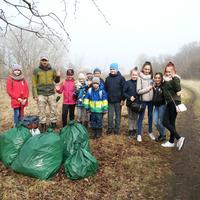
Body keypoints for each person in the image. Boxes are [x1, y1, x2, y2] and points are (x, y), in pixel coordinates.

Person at [32, 55, 60, 132]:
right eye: (43, 60)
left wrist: (58, 76)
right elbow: (34, 83)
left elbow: (56, 81)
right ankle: (43, 125)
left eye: (46, 60)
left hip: (51, 93)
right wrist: (35, 95)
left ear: (48, 61)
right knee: (41, 111)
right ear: (40, 61)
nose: (44, 62)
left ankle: (53, 124)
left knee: (53, 109)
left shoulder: (52, 69)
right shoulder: (36, 70)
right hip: (41, 93)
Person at [161, 62, 185, 151]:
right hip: (170, 102)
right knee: (171, 123)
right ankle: (171, 142)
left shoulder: (176, 78)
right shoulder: (166, 79)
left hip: (173, 102)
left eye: (170, 71)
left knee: (164, 122)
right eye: (166, 71)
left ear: (174, 71)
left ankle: (179, 138)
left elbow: (178, 89)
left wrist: (174, 76)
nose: (168, 73)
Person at [137, 61, 155, 142]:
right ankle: (139, 134)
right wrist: (149, 88)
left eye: (148, 69)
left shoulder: (152, 78)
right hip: (143, 101)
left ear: (150, 70)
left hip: (151, 101)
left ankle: (150, 132)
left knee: (150, 116)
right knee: (141, 117)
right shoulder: (139, 78)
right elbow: (138, 91)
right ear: (143, 69)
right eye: (145, 69)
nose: (147, 71)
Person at [105, 63, 125, 134]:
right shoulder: (107, 79)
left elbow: (123, 90)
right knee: (110, 115)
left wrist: (123, 99)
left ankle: (117, 129)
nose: (112, 70)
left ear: (117, 69)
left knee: (118, 115)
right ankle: (110, 129)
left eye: (113, 69)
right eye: (111, 69)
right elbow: (106, 89)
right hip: (110, 101)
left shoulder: (121, 78)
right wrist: (106, 98)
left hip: (118, 101)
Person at [123, 67, 139, 138]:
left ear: (137, 75)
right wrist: (129, 97)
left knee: (136, 117)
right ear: (130, 75)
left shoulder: (139, 83)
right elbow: (124, 92)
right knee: (130, 117)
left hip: (137, 103)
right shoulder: (127, 83)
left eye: (136, 75)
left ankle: (135, 130)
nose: (134, 76)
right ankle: (130, 130)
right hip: (129, 103)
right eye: (133, 74)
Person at [152, 72, 166, 142]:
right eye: (156, 78)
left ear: (161, 79)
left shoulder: (164, 86)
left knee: (161, 122)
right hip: (156, 106)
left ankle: (162, 135)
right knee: (155, 121)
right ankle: (162, 134)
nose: (157, 79)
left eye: (159, 78)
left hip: (162, 106)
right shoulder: (154, 86)